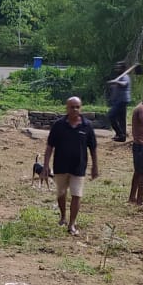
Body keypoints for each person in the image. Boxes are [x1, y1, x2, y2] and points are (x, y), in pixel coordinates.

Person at [43, 96, 99, 236]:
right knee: (61, 193)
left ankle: (72, 224)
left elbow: (92, 148)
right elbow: (50, 146)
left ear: (81, 108)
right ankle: (63, 216)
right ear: (66, 108)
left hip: (78, 167)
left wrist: (95, 166)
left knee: (76, 194)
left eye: (77, 107)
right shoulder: (58, 125)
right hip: (60, 166)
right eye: (72, 107)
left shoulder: (86, 126)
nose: (75, 109)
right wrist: (45, 165)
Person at [105, 62, 132, 142]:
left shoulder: (125, 76)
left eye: (119, 67)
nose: (117, 69)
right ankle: (122, 137)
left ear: (123, 69)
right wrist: (113, 85)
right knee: (121, 119)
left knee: (111, 115)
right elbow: (118, 87)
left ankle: (120, 133)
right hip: (119, 100)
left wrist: (115, 82)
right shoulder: (120, 77)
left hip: (122, 100)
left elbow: (124, 84)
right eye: (116, 67)